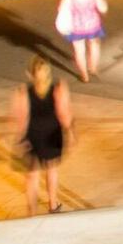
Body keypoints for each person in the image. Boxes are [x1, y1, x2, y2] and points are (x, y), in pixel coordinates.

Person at [10, 56, 73, 216]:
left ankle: (32, 211)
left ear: (30, 74)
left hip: (33, 135)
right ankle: (53, 204)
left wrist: (19, 137)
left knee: (32, 175)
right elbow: (64, 113)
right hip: (52, 134)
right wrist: (70, 132)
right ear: (48, 73)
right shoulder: (58, 88)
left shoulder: (24, 92)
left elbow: (20, 118)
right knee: (52, 170)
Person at [56, 0, 108, 82]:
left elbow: (61, 8)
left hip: (76, 27)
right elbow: (103, 8)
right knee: (94, 45)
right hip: (93, 25)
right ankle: (93, 68)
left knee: (79, 51)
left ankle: (84, 75)